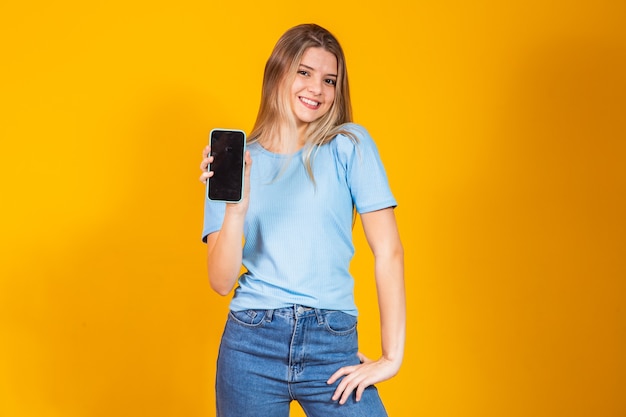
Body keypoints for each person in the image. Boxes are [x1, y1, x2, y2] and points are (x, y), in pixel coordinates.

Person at [199, 23, 405, 417]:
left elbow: (389, 252)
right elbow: (220, 281)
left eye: (330, 80)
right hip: (250, 346)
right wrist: (236, 207)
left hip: (331, 343)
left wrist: (391, 357)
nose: (317, 89)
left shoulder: (350, 146)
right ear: (278, 71)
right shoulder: (234, 163)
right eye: (304, 73)